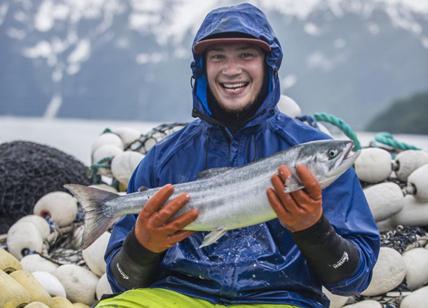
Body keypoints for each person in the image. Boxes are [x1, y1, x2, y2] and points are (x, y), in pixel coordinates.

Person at [97, 3, 380, 308]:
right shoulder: (165, 158)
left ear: (267, 64)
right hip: (177, 296)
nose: (232, 70)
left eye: (246, 54)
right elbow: (122, 281)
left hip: (280, 300)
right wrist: (142, 246)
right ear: (202, 68)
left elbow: (355, 278)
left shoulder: (310, 147)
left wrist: (314, 229)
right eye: (218, 57)